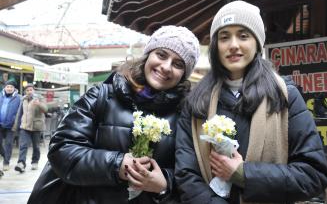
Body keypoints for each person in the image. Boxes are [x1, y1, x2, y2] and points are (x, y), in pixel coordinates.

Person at [175, 0, 327, 204]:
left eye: (243, 35)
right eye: (224, 37)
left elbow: (314, 174)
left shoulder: (284, 96)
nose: (233, 45)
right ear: (215, 46)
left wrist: (243, 173)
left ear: (257, 43)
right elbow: (186, 175)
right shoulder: (196, 102)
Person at [28, 25, 200, 204]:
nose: (166, 67)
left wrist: (165, 184)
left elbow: (192, 175)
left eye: (178, 64)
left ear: (184, 74)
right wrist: (117, 165)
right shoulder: (101, 96)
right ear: (148, 55)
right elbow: (62, 150)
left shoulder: (185, 116)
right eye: (161, 55)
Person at [13, 83, 48, 173]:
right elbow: (19, 113)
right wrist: (16, 126)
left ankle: (35, 162)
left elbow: (45, 109)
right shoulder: (23, 100)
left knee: (36, 146)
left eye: (30, 90)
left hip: (36, 127)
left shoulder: (39, 98)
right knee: (23, 145)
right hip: (24, 127)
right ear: (25, 91)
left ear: (34, 90)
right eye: (27, 90)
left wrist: (39, 104)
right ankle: (21, 163)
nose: (29, 92)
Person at [0, 80, 21, 171]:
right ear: (5, 87)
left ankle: (6, 162)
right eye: (7, 87)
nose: (9, 88)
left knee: (8, 144)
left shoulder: (19, 98)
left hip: (11, 125)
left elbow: (20, 112)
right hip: (0, 124)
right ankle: (5, 156)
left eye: (11, 87)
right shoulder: (0, 96)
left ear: (14, 89)